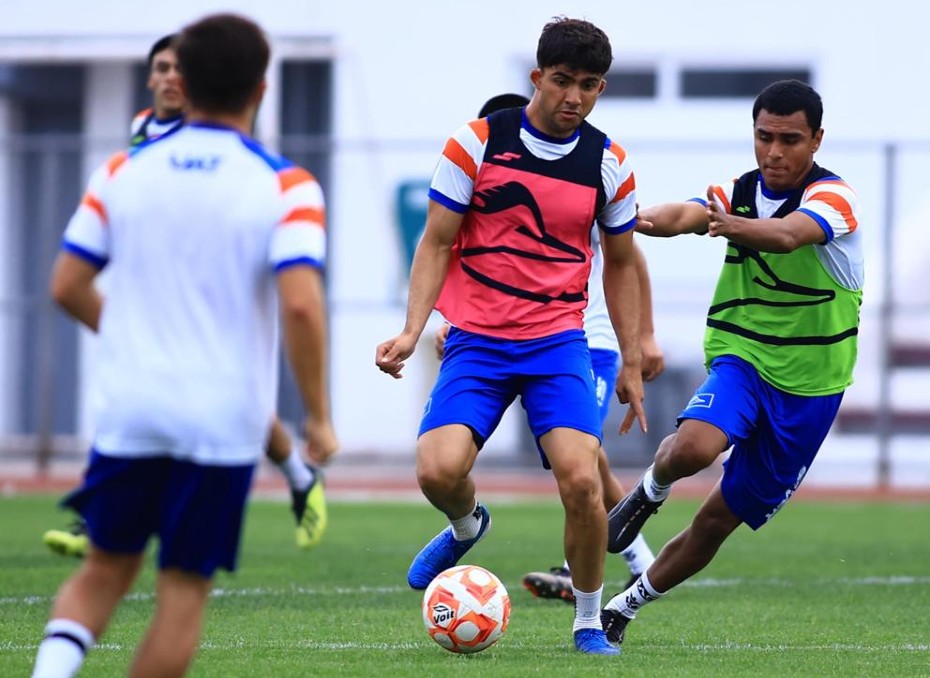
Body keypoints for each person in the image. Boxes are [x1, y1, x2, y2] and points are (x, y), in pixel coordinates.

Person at [30, 14, 337, 677]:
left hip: (131, 408)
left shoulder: (121, 170)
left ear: (183, 83)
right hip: (220, 419)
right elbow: (302, 304)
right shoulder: (286, 185)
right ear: (260, 88)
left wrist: (136, 337)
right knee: (182, 589)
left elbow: (66, 285)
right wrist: (318, 416)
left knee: (102, 571)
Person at [375, 17, 645, 656]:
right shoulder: (475, 143)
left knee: (582, 481)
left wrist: (632, 357)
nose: (573, 97)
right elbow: (436, 240)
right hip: (479, 342)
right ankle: (467, 522)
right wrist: (414, 330)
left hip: (557, 345)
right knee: (438, 470)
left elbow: (626, 263)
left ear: (600, 88)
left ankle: (586, 620)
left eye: (588, 85)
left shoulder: (608, 161)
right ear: (536, 79)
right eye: (561, 81)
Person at [599, 80, 863, 645]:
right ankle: (648, 492)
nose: (774, 152)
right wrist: (633, 219)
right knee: (694, 446)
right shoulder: (735, 193)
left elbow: (791, 236)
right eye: (764, 137)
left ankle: (626, 605)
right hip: (743, 357)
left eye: (790, 139)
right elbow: (684, 215)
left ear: (817, 140)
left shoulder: (834, 200)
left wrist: (729, 224)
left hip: (811, 390)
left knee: (717, 521)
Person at [428, 93, 662, 604]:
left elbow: (630, 261)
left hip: (588, 340)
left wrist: (640, 343)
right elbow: (473, 262)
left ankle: (620, 577)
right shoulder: (483, 177)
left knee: (583, 466)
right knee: (583, 465)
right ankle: (633, 556)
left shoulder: (593, 169)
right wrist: (451, 321)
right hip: (497, 339)